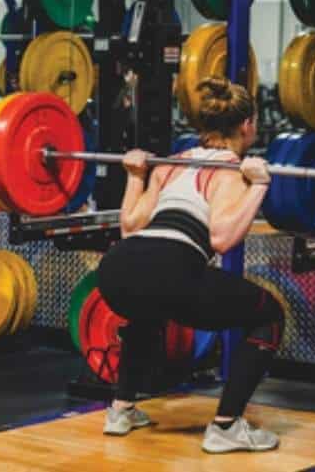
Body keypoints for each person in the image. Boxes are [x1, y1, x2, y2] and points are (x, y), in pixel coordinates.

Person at [97, 76, 285, 454]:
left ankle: (120, 409)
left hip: (117, 271)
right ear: (247, 125)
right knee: (269, 314)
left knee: (149, 307)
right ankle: (227, 425)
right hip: (171, 268)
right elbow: (221, 238)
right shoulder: (232, 168)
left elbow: (130, 226)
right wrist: (260, 186)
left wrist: (135, 176)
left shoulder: (171, 163)